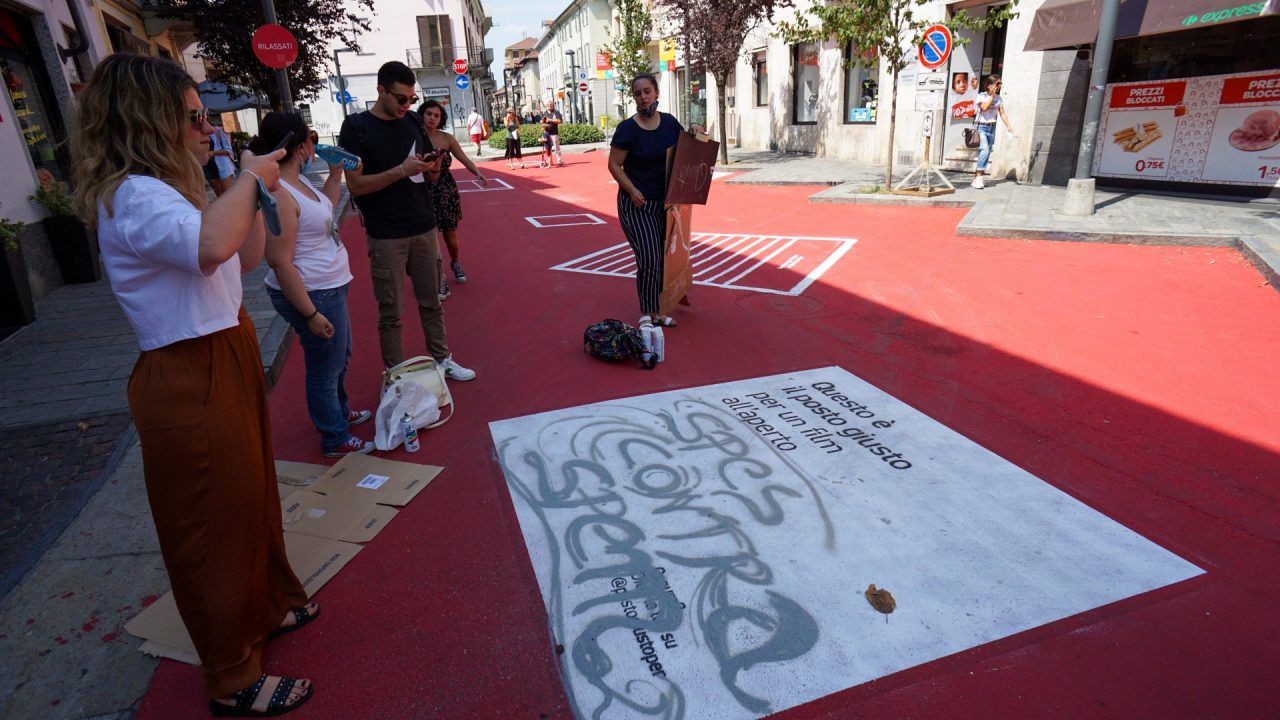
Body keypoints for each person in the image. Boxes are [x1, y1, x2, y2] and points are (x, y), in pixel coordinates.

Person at [70, 54, 315, 716]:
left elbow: (247, 255)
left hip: (221, 348)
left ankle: (266, 607)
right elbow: (211, 248)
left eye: (204, 117)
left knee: (249, 499)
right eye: (193, 117)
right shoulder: (135, 194)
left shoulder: (168, 190)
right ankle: (232, 678)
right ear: (150, 120)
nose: (207, 129)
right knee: (209, 525)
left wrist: (255, 191)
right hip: (187, 367)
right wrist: (246, 179)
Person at [338, 61, 476, 381]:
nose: (407, 105)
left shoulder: (413, 121)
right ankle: (397, 376)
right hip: (386, 233)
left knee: (432, 302)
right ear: (381, 91)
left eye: (412, 99)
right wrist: (402, 170)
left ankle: (442, 359)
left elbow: (428, 170)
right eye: (401, 98)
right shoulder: (356, 128)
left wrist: (434, 165)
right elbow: (356, 185)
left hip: (423, 226)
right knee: (392, 313)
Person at [254, 112, 373, 458]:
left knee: (340, 356)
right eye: (312, 140)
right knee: (325, 367)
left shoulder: (297, 183)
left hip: (328, 287)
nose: (316, 147)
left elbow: (325, 207)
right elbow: (278, 260)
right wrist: (309, 313)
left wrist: (336, 174)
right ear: (301, 145)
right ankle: (334, 436)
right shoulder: (280, 191)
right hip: (314, 293)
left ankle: (337, 412)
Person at [607, 73, 704, 330]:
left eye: (647, 91)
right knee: (649, 257)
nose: (643, 97)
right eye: (638, 93)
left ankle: (659, 310)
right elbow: (614, 164)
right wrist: (631, 189)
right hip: (636, 204)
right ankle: (647, 313)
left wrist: (695, 128)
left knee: (664, 259)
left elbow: (688, 149)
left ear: (657, 92)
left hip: (665, 203)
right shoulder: (627, 129)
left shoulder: (670, 124)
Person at [417, 99, 488, 297]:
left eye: (436, 115)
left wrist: (478, 173)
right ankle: (439, 278)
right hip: (423, 190)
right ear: (422, 115)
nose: (432, 118)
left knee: (451, 237)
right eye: (429, 114)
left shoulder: (446, 138)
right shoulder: (415, 138)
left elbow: (463, 158)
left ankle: (455, 263)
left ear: (441, 119)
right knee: (431, 239)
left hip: (446, 190)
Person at [972, 74, 1015, 189]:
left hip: (992, 127)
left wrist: (1009, 126)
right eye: (997, 84)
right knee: (985, 150)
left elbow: (1002, 113)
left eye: (1000, 84)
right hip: (981, 127)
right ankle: (979, 177)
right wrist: (991, 95)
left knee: (986, 152)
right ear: (990, 85)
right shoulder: (981, 96)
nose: (999, 86)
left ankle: (977, 177)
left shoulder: (999, 98)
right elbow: (984, 108)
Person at [204, 117, 236, 196]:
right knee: (219, 195)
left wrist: (213, 153)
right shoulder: (198, 134)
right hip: (208, 167)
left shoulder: (217, 131)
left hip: (223, 166)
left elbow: (228, 150)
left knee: (227, 195)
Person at [542, 100, 564, 167]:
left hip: (554, 133)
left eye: (550, 105)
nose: (549, 106)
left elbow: (559, 121)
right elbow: (543, 122)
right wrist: (542, 125)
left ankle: (559, 160)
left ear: (553, 105)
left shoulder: (556, 112)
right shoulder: (545, 113)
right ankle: (550, 161)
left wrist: (550, 120)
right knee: (548, 148)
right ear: (546, 106)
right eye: (548, 105)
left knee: (556, 147)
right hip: (547, 133)